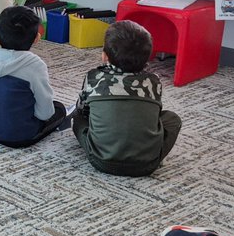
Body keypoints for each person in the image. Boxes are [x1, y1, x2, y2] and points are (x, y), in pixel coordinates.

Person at [74, 20, 181, 177]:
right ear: (147, 58)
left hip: (100, 160)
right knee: (173, 119)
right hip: (147, 164)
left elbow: (82, 109)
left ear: (104, 55)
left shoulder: (93, 77)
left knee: (77, 118)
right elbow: (154, 114)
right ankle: (151, 151)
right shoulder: (153, 81)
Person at [0, 6, 66, 147]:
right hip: (21, 136)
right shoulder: (35, 65)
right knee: (59, 109)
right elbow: (45, 112)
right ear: (36, 38)